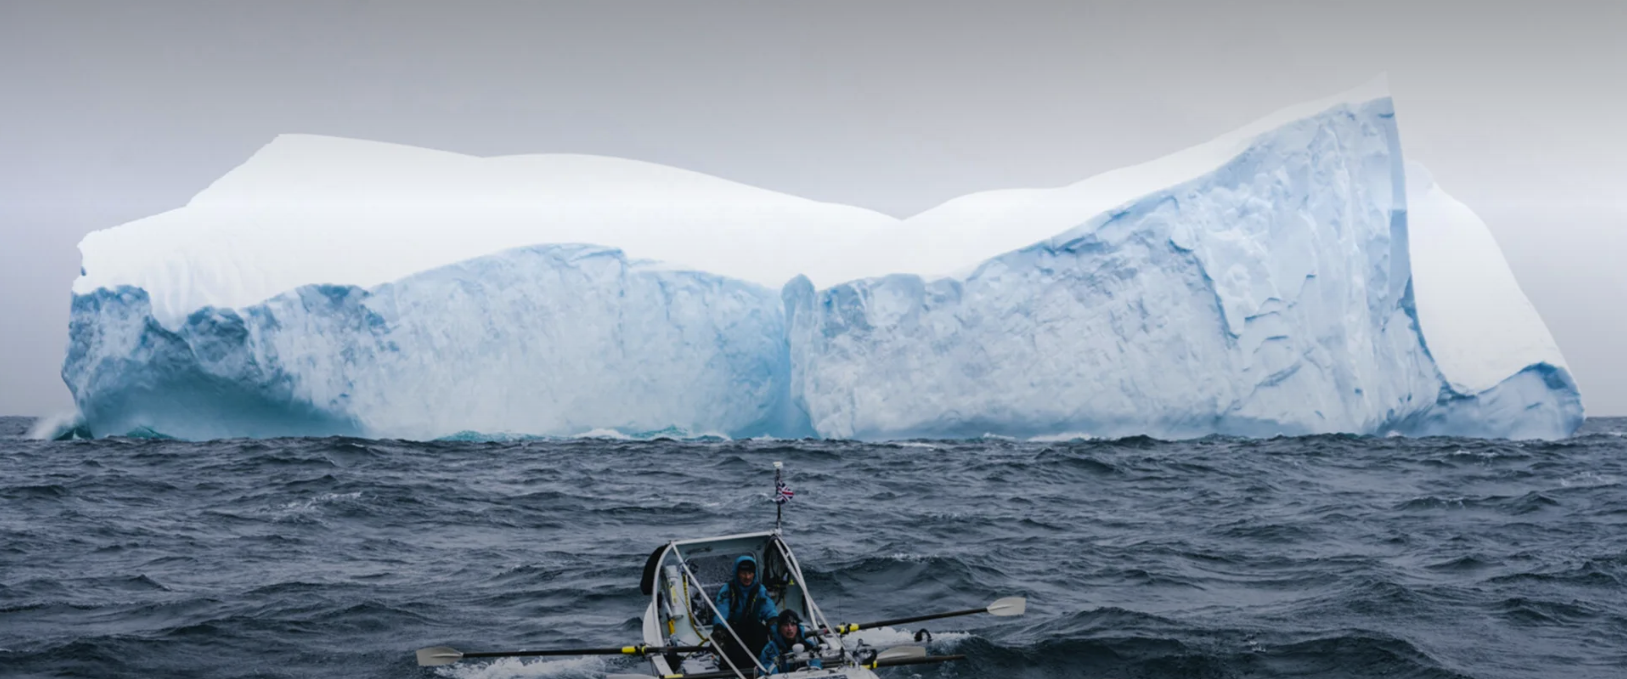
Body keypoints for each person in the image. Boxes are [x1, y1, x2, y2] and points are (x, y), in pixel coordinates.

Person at [711, 555, 777, 671]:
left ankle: (760, 666)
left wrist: (774, 624)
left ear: (754, 574)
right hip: (733, 630)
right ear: (737, 573)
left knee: (761, 633)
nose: (747, 577)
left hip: (754, 630)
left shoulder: (760, 590)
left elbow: (769, 609)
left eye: (750, 573)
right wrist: (719, 628)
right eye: (743, 573)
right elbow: (722, 610)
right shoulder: (728, 589)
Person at [758, 609, 823, 675]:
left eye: (793, 624)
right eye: (786, 625)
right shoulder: (770, 650)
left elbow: (816, 669)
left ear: (797, 626)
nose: (790, 628)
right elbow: (770, 673)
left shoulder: (809, 645)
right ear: (779, 628)